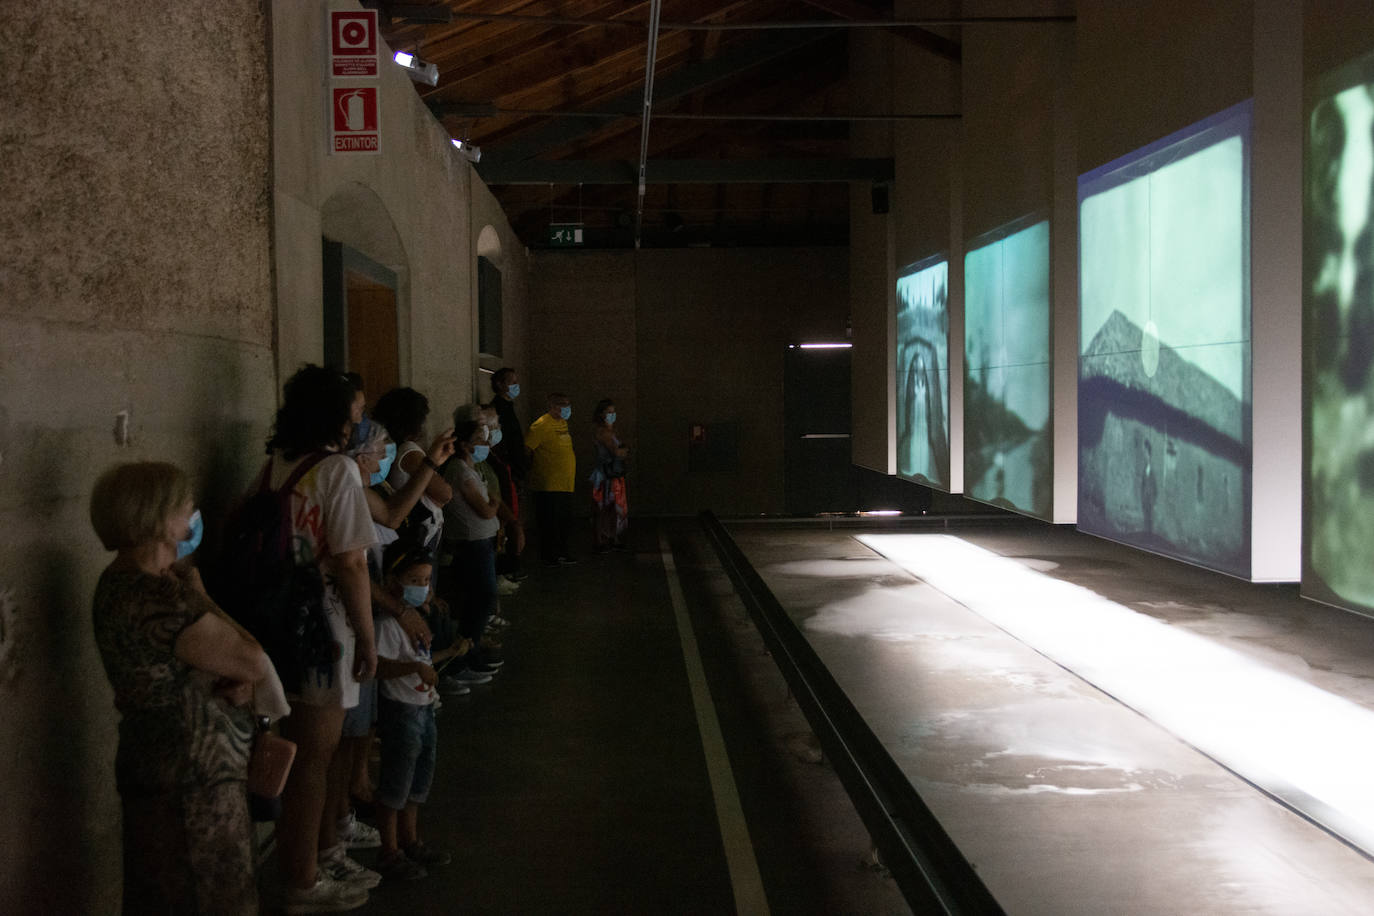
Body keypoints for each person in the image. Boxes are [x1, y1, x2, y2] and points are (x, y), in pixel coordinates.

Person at [90, 461, 282, 916]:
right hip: (193, 780)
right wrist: (200, 592)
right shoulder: (160, 597)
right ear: (158, 518)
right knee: (210, 895)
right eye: (184, 505)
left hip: (161, 765)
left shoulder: (120, 584)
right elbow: (252, 657)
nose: (193, 512)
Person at [260, 364, 379, 913]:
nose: (358, 422)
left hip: (280, 619)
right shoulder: (338, 471)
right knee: (313, 757)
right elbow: (353, 562)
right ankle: (301, 881)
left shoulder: (281, 464)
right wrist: (369, 637)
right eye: (353, 413)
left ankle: (320, 852)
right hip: (323, 625)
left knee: (303, 749)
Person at [373, 543, 459, 881]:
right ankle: (389, 849)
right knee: (397, 779)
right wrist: (413, 668)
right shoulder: (387, 624)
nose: (423, 586)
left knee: (419, 777)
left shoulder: (417, 621)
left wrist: (449, 652)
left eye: (426, 579)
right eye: (414, 579)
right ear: (394, 582)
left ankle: (411, 839)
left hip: (423, 709)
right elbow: (380, 667)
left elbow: (422, 664)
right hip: (401, 710)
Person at [437, 408, 504, 685]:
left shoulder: (469, 469)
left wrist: (492, 501)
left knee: (480, 601)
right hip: (472, 546)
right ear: (464, 444)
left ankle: (472, 651)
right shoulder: (459, 471)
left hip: (481, 544)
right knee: (479, 601)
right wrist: (495, 501)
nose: (485, 444)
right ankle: (463, 657)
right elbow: (487, 509)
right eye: (479, 439)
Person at [372, 387, 453, 558]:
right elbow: (444, 493)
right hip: (417, 538)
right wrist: (431, 461)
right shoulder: (409, 450)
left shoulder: (396, 449)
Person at [526, 393, 577, 566]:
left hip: (565, 484)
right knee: (549, 522)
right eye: (563, 404)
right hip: (548, 484)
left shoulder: (562, 423)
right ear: (553, 406)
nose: (567, 408)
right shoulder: (541, 425)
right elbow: (528, 449)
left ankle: (562, 552)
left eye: (568, 404)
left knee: (563, 521)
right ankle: (549, 556)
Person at [489, 368, 527, 583]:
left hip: (514, 469)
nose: (516, 385)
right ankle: (509, 565)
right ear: (501, 384)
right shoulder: (498, 408)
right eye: (512, 382)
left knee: (514, 519)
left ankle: (513, 562)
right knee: (510, 521)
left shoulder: (508, 407)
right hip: (506, 470)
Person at [589, 398, 630, 552]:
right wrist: (623, 451)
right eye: (609, 412)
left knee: (613, 508)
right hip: (605, 476)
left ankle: (611, 537)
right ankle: (600, 539)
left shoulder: (611, 431)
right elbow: (617, 451)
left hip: (613, 474)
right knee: (602, 508)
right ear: (601, 414)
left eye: (613, 412)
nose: (612, 415)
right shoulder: (603, 432)